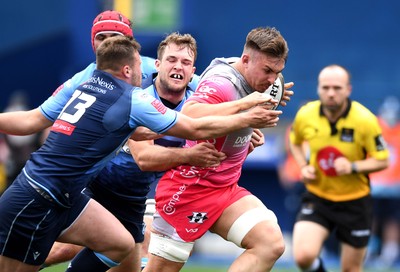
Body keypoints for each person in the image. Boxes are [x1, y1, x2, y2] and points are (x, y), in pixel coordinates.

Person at [0, 35, 283, 272]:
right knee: (52, 254)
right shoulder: (136, 98)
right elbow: (185, 130)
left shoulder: (86, 86)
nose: (144, 72)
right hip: (60, 193)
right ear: (131, 69)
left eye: (186, 63)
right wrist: (246, 114)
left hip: (90, 197)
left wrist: (240, 131)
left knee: (120, 246)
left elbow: (147, 130)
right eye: (143, 66)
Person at [42, 32, 224, 272]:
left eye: (185, 63)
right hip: (105, 185)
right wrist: (190, 155)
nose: (178, 67)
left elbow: (225, 101)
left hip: (145, 193)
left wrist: (245, 128)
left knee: (128, 257)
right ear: (157, 65)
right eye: (171, 60)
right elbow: (144, 159)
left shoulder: (199, 98)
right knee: (68, 248)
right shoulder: (138, 99)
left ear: (193, 72)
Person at [142, 26, 291, 272]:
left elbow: (241, 116)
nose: (272, 79)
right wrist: (246, 112)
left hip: (224, 189)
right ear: (245, 60)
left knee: (270, 243)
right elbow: (190, 114)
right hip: (190, 188)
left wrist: (245, 133)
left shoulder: (262, 81)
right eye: (267, 71)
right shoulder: (222, 83)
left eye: (277, 72)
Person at [289, 64, 390, 272]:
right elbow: (295, 141)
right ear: (318, 89)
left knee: (350, 269)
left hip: (355, 202)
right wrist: (303, 166)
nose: (331, 93)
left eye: (337, 88)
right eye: (325, 88)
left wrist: (352, 166)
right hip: (318, 197)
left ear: (348, 89)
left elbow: (383, 160)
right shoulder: (306, 114)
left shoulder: (365, 120)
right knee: (303, 256)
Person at [367, 96, 400, 268]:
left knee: (392, 220)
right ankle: (370, 249)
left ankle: (389, 252)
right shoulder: (375, 128)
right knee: (372, 218)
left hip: (394, 186)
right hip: (375, 185)